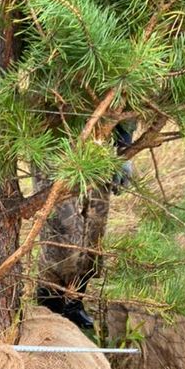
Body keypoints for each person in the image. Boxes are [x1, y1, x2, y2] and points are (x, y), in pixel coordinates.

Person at [37, 123, 135, 330]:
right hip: (55, 137)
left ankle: (74, 301)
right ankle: (49, 303)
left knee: (94, 225)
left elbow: (127, 101)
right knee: (63, 226)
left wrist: (124, 150)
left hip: (100, 140)